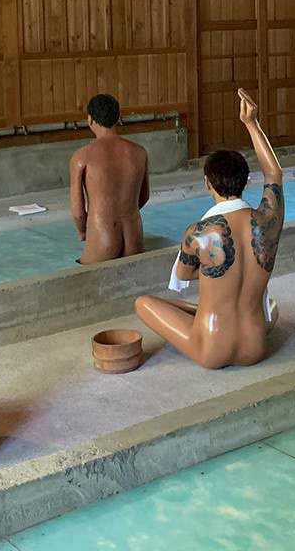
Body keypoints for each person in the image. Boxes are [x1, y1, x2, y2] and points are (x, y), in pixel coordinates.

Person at [135, 89, 283, 369]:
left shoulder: (198, 232)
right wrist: (252, 123)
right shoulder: (268, 220)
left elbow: (183, 275)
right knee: (270, 304)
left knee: (144, 303)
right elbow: (274, 173)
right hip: (256, 347)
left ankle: (200, 317)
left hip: (211, 349)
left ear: (207, 183)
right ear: (245, 180)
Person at [69, 94, 150, 264]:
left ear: (90, 119)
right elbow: (144, 197)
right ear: (118, 118)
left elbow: (78, 212)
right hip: (134, 236)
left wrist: (83, 231)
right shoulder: (139, 152)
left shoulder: (82, 157)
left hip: (102, 236)